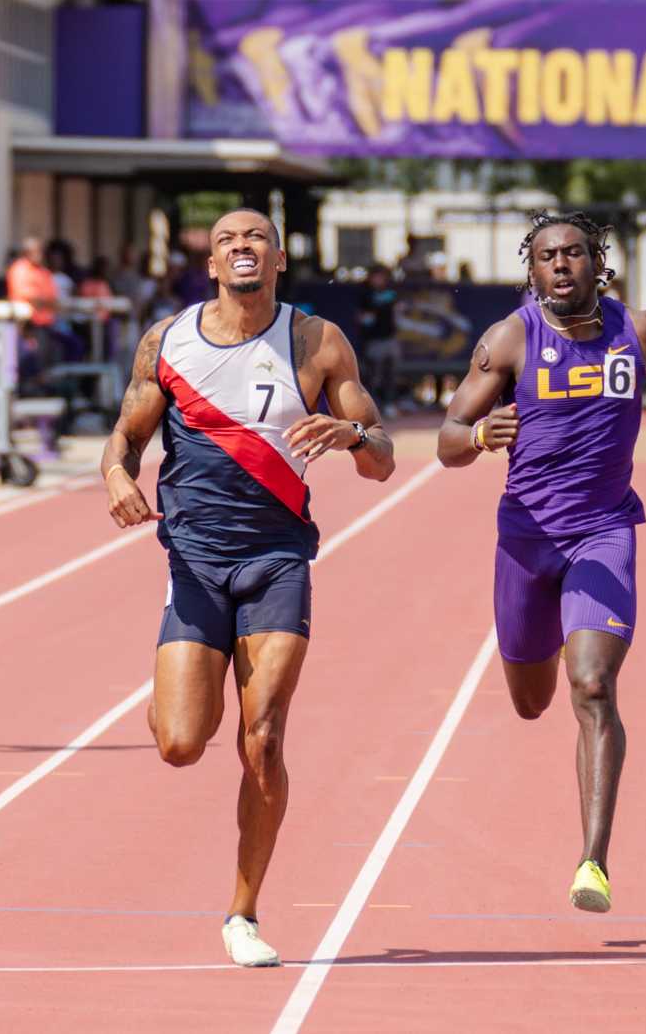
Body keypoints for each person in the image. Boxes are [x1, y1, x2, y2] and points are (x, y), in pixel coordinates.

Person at [102, 208, 395, 969]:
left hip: (276, 560)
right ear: (210, 262)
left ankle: (242, 911)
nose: (242, 247)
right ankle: (174, 692)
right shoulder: (168, 341)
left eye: (256, 237)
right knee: (180, 744)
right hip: (195, 561)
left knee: (262, 737)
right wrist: (114, 475)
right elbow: (127, 434)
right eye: (228, 239)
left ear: (279, 256)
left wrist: (353, 435)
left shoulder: (316, 341)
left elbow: (384, 459)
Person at [437, 212, 646, 916]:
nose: (560, 265)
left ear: (599, 262)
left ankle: (593, 859)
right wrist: (477, 432)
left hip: (603, 532)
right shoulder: (509, 339)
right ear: (530, 271)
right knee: (531, 701)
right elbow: (445, 438)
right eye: (546, 257)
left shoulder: (642, 332)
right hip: (527, 541)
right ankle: (537, 647)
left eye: (573, 253)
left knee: (592, 685)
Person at [356, 263, 401, 412]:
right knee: (373, 374)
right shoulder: (365, 294)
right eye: (376, 276)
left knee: (391, 373)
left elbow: (398, 311)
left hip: (390, 338)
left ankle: (389, 403)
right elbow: (361, 317)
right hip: (374, 341)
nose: (379, 280)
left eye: (382, 276)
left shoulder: (392, 293)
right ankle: (372, 406)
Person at [5, 236, 60, 329]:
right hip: (25, 323)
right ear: (26, 253)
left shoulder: (44, 271)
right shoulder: (19, 269)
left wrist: (47, 302)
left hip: (46, 322)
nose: (39, 254)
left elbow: (54, 298)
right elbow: (30, 297)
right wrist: (46, 302)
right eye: (35, 251)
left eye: (40, 251)